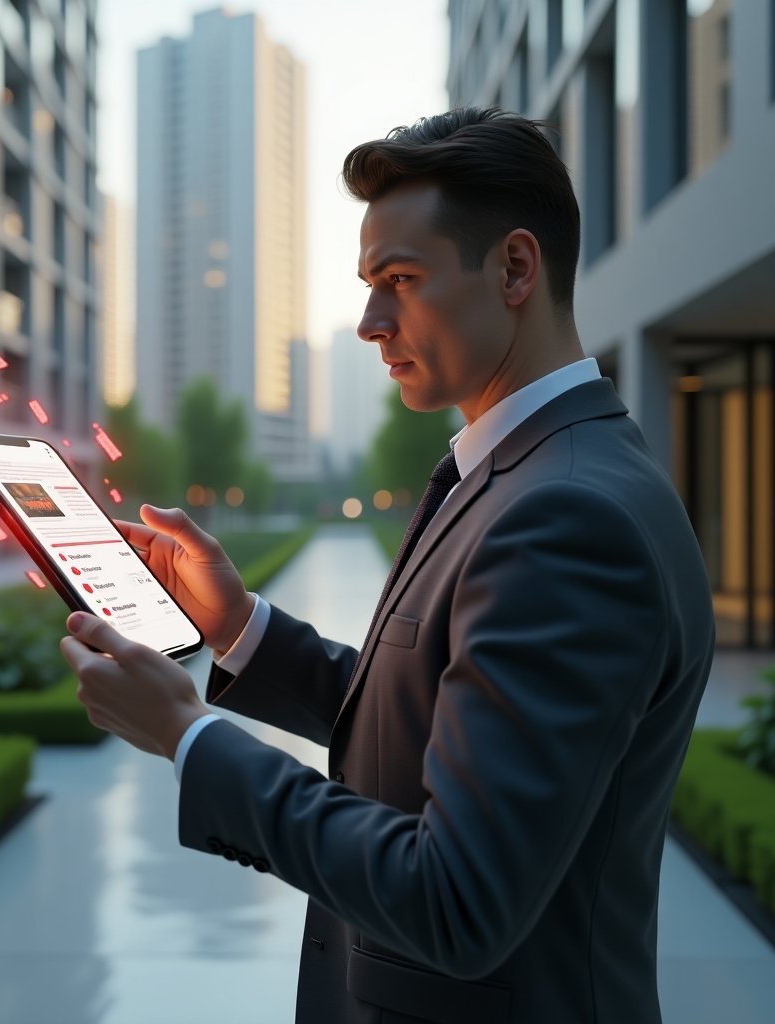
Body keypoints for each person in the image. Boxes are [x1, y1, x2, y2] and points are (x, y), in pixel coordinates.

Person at [59, 107, 715, 1024]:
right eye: (369, 284)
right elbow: (428, 726)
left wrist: (189, 738)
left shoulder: (566, 516)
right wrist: (239, 625)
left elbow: (455, 900)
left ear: (516, 268)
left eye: (400, 280)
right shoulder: (527, 471)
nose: (370, 322)